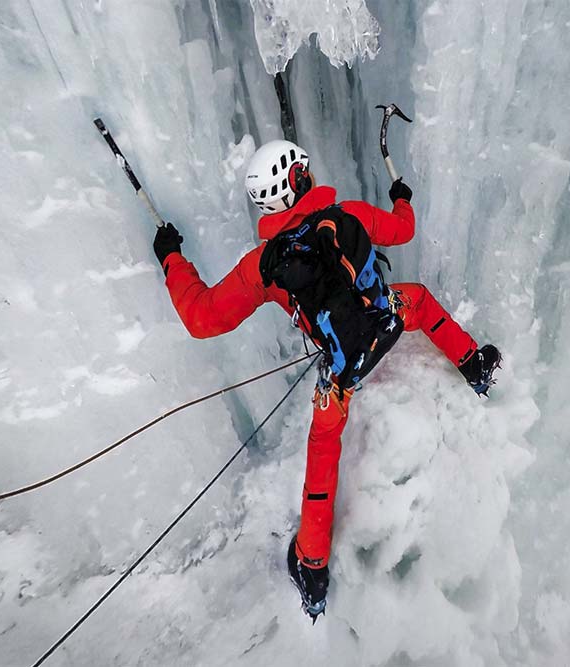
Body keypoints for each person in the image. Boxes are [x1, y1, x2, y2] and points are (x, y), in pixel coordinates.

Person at [153, 139, 500, 621]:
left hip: (343, 367)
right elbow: (402, 230)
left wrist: (172, 259)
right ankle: (473, 364)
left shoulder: (264, 266)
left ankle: (313, 565)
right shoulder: (348, 213)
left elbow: (202, 317)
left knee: (324, 441)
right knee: (417, 298)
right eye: (304, 169)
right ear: (298, 180)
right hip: (386, 321)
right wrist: (401, 196)